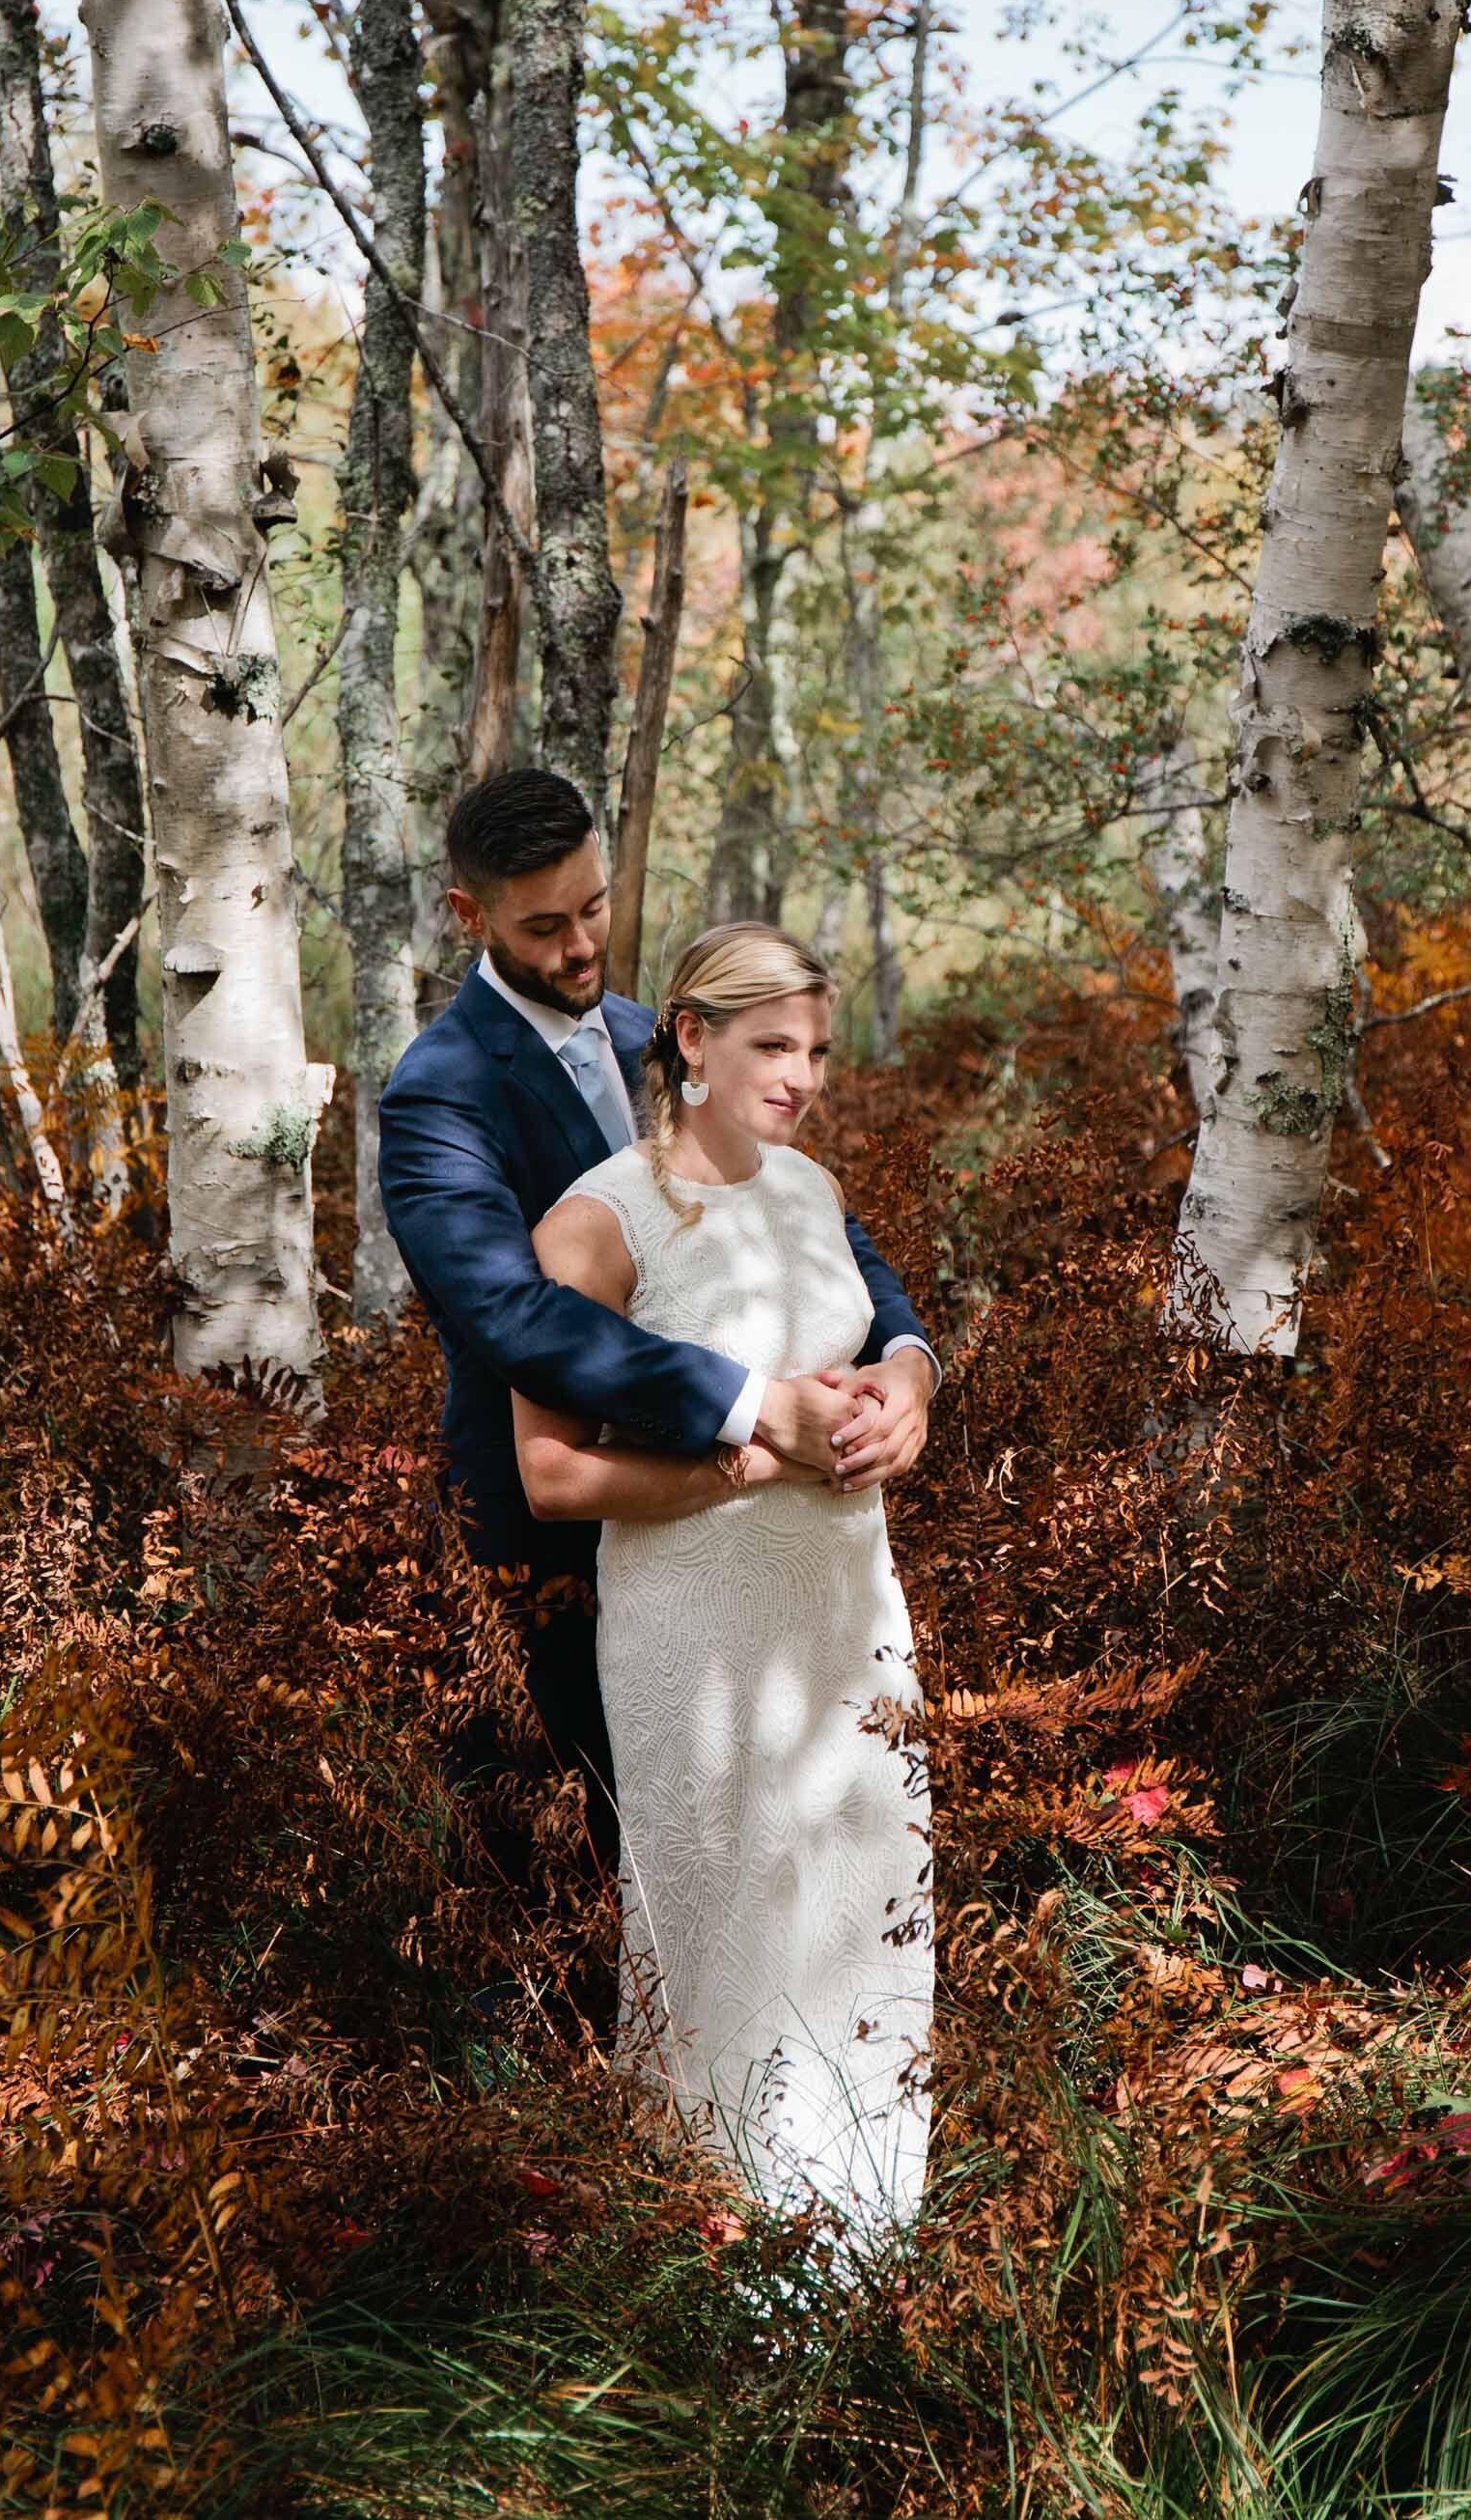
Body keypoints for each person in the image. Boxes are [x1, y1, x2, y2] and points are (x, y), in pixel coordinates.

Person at [376, 770, 937, 1864]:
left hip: (773, 1556)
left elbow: (817, 1219)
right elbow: (512, 1319)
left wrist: (909, 1363)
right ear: (467, 916)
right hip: (556, 1521)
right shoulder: (437, 1094)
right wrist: (751, 1409)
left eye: (594, 907)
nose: (583, 946)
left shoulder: (662, 1036)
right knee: (583, 1846)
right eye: (544, 926)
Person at [511, 921, 932, 2238]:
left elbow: (878, 1334)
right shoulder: (598, 1221)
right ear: (689, 1039)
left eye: (814, 1049)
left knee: (867, 1915)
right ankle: (726, 2258)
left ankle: (875, 2244)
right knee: (727, 1939)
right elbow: (550, 1477)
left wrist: (902, 1395)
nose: (800, 1076)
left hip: (848, 1615)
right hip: (696, 1630)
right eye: (770, 1046)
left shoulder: (809, 1194)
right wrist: (734, 1465)